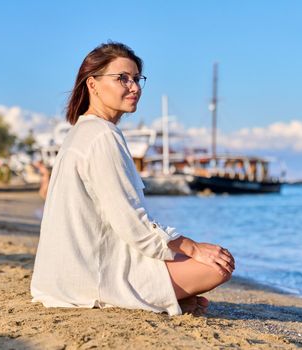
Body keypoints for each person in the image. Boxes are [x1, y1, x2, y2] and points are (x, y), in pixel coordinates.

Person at [30, 42, 235, 316]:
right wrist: (192, 247)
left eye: (137, 79)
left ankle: (169, 298)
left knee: (193, 260)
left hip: (65, 276)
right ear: (92, 85)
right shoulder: (103, 136)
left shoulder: (83, 132)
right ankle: (151, 297)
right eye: (122, 79)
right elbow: (132, 223)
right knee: (219, 264)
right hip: (92, 277)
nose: (134, 87)